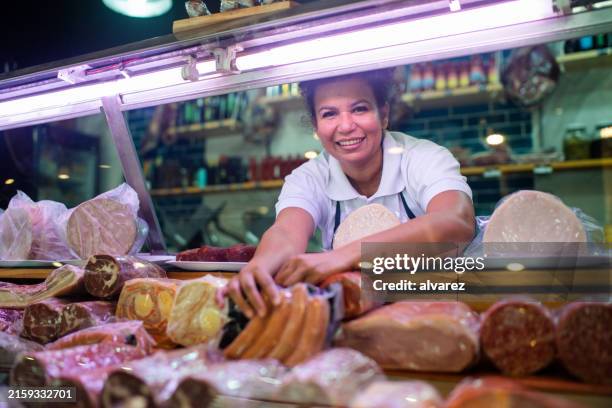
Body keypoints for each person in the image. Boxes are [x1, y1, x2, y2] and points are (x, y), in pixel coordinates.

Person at [217, 68, 475, 318]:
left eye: (359, 109)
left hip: (443, 306)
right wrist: (260, 265)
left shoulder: (423, 157)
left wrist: (341, 256)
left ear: (383, 114)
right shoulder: (309, 177)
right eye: (329, 114)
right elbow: (286, 232)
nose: (346, 125)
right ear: (316, 127)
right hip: (356, 313)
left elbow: (456, 221)